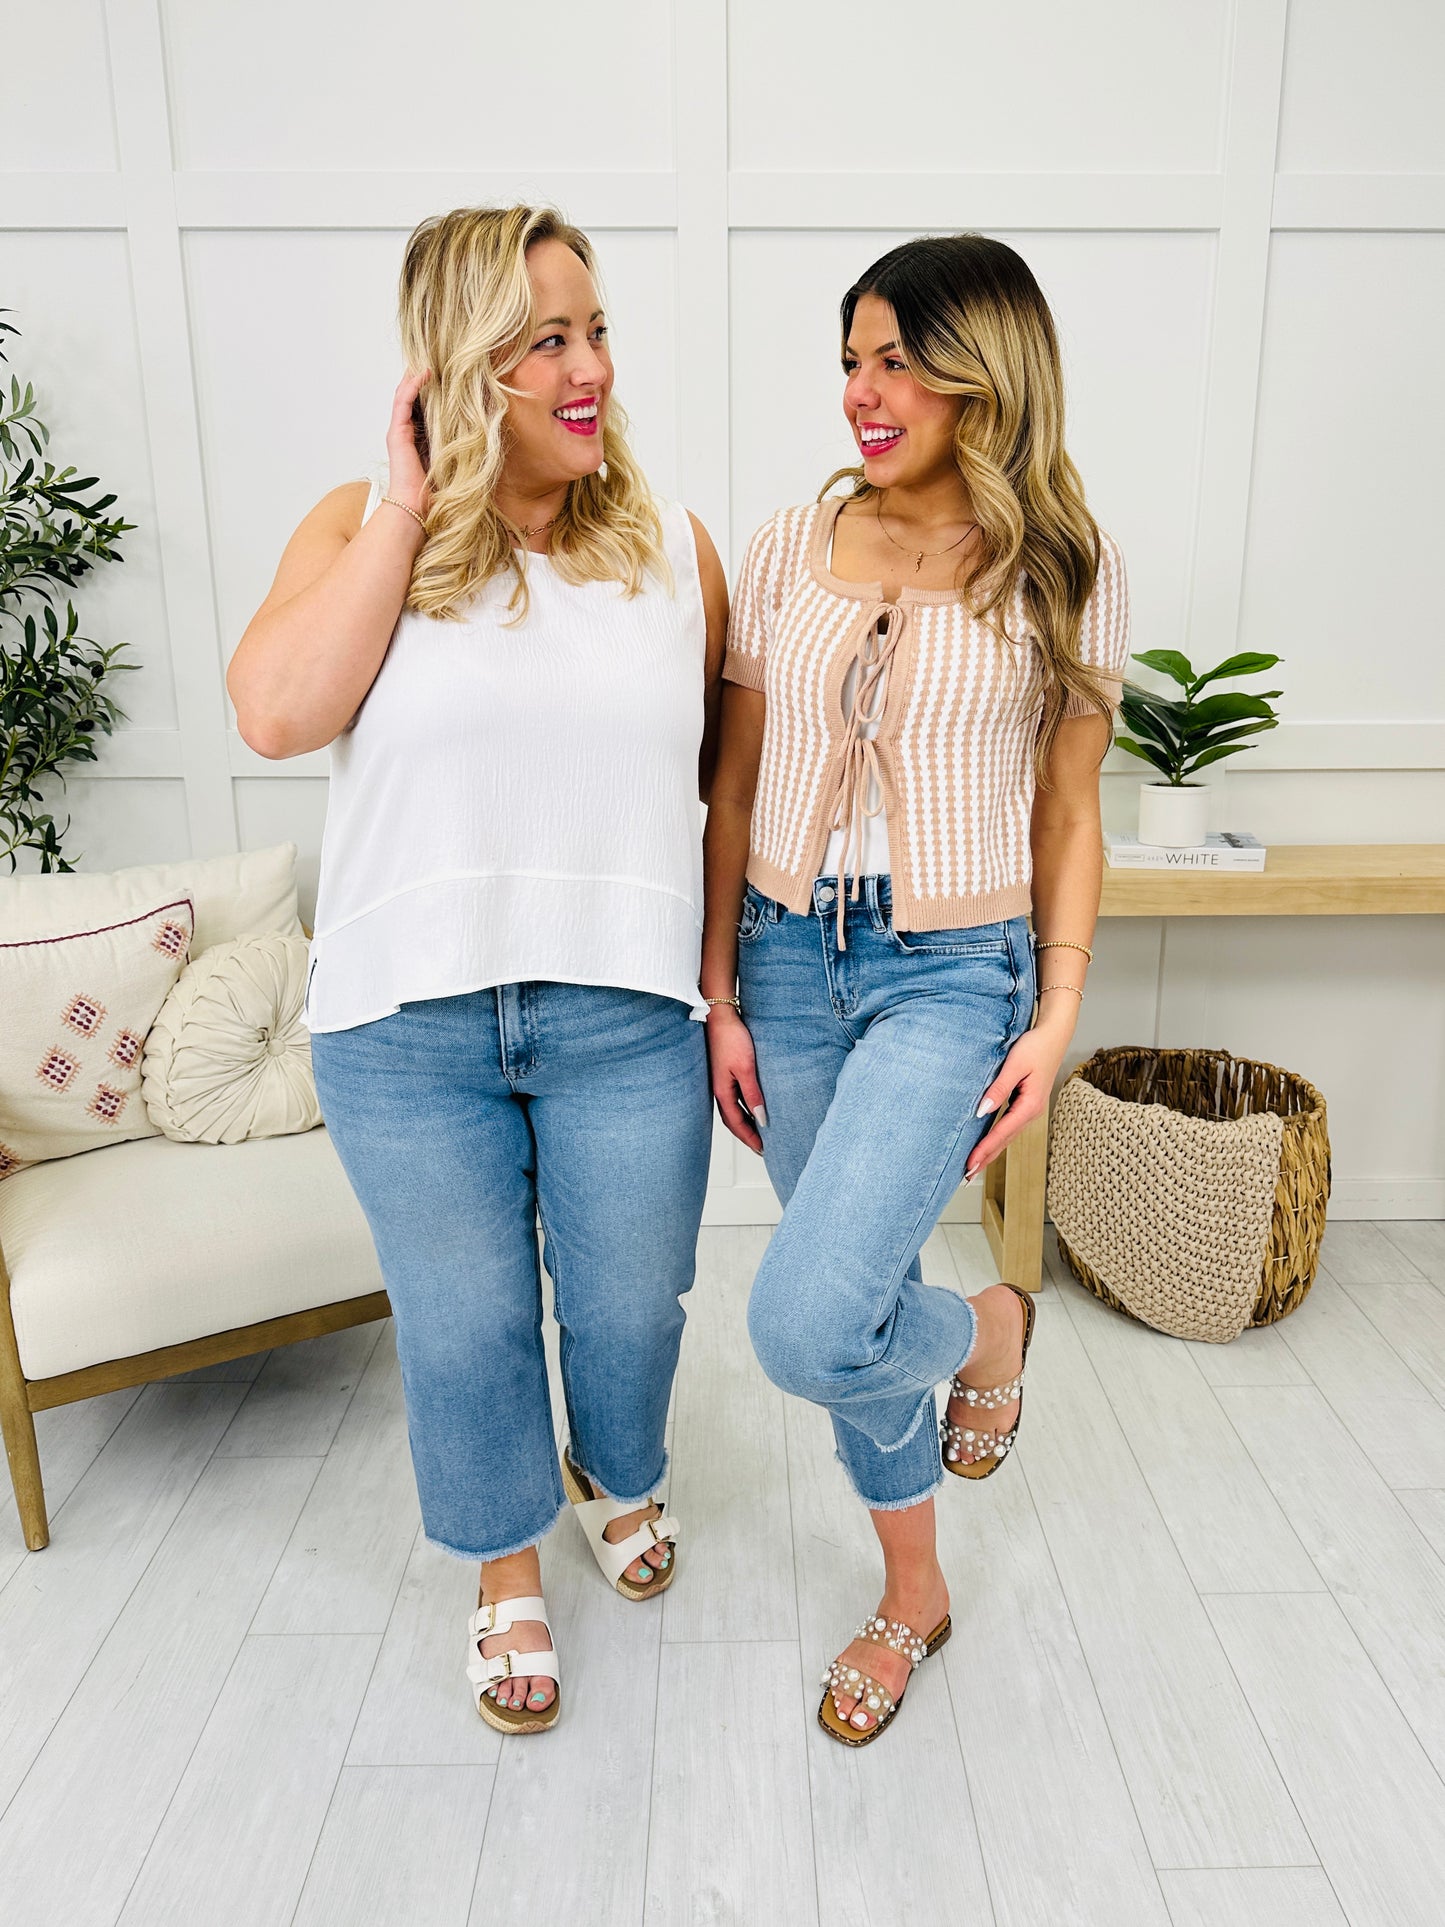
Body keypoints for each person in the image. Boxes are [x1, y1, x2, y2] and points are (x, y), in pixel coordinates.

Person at [228, 204, 727, 1735]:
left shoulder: (672, 551)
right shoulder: (358, 528)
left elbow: (721, 789)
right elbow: (275, 714)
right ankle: (506, 1563)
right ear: (460, 362)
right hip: (406, 1020)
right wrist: (404, 503)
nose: (591, 370)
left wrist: (719, 989)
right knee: (465, 1326)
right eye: (544, 342)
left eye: (596, 332)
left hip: (626, 1008)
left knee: (633, 1306)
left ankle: (610, 1472)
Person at [701, 233, 1128, 1745]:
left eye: (895, 362)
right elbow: (733, 784)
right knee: (855, 1306)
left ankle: (989, 1331)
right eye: (850, 361)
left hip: (953, 972)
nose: (860, 394)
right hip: (782, 959)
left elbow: (1069, 811)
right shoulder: (784, 548)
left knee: (812, 1321)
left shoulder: (1063, 566)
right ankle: (916, 1585)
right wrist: (719, 991)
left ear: (982, 375)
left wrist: (1056, 1015)